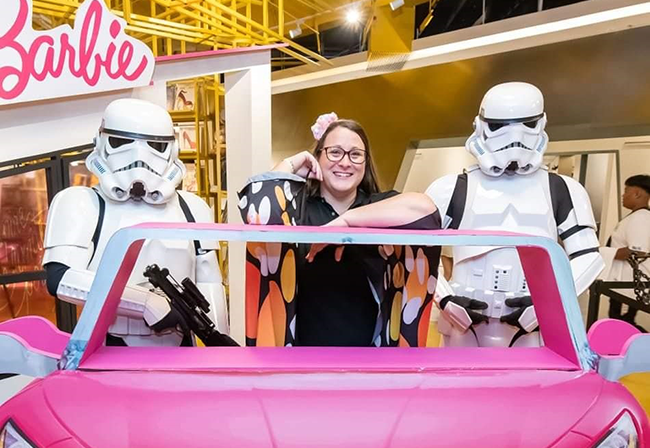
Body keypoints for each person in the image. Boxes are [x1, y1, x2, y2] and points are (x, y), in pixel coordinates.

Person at [425, 82, 604, 348]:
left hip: (532, 324)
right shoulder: (451, 188)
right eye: (499, 126)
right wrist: (446, 299)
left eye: (526, 125)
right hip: (464, 322)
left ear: (541, 124)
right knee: (459, 387)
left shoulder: (563, 190)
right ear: (481, 125)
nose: (514, 137)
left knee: (529, 388)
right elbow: (418, 254)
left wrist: (548, 304)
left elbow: (588, 257)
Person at [238, 112, 440, 347]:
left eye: (355, 155)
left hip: (371, 360)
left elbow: (425, 209)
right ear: (317, 157)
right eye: (334, 152)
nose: (345, 162)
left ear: (366, 163)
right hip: (297, 359)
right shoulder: (297, 210)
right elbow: (257, 210)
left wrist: (346, 222)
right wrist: (290, 166)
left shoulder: (378, 207)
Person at [42, 98, 229, 347]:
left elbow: (209, 285)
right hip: (110, 345)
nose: (140, 156)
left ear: (172, 150)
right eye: (121, 143)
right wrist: (146, 303)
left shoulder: (192, 207)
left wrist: (218, 350)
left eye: (155, 145)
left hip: (182, 345)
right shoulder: (82, 202)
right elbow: (61, 278)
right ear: (101, 144)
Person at [601, 174, 650, 328]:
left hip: (629, 285)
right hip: (622, 283)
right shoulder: (635, 217)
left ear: (637, 193)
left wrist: (602, 252)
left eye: (626, 191)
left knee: (623, 323)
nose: (623, 195)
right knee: (620, 322)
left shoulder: (641, 218)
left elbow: (638, 252)